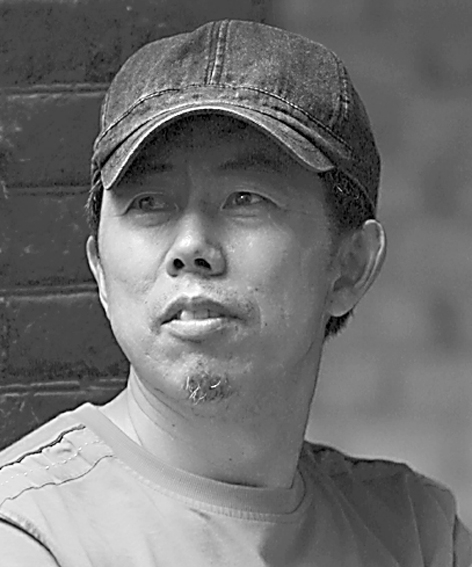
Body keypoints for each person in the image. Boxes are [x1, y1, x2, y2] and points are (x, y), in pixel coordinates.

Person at [1, 19, 471, 567]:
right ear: (100, 270)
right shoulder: (32, 534)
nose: (191, 246)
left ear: (349, 267)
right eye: (149, 202)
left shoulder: (416, 533)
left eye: (246, 198)